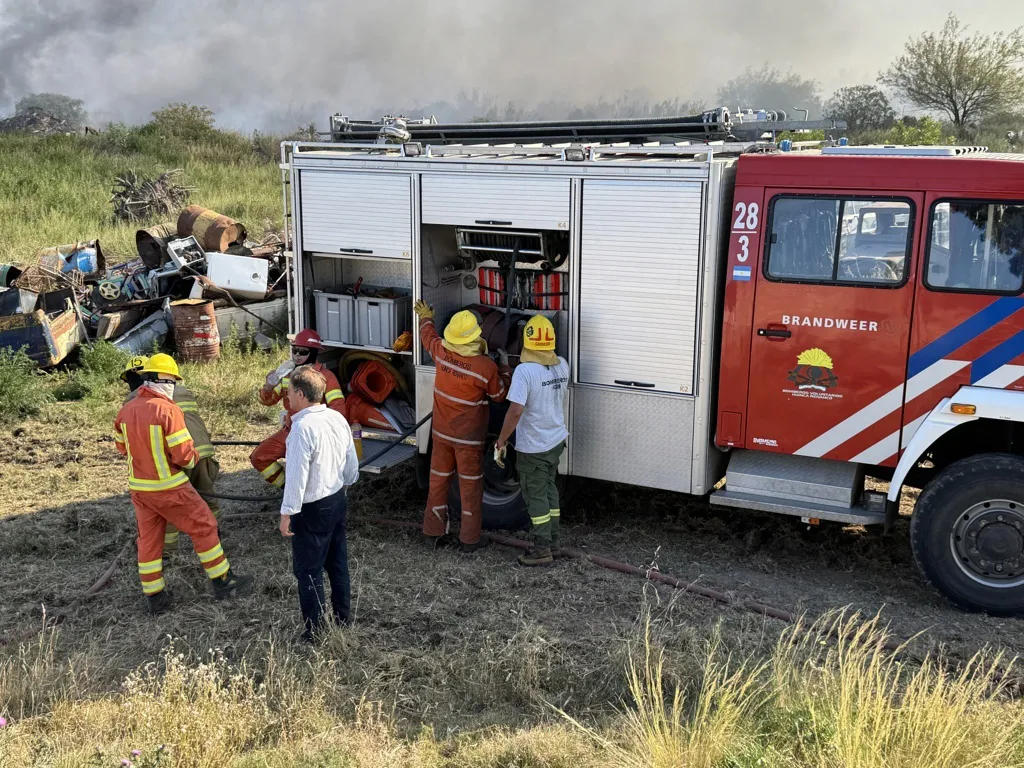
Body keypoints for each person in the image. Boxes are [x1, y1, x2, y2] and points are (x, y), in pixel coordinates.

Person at [113, 353, 253, 614]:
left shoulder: (125, 411)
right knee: (204, 525)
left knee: (150, 541)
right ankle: (223, 581)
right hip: (169, 486)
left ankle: (155, 597)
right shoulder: (167, 409)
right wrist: (195, 456)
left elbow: (123, 449)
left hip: (140, 489)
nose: (174, 385)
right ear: (161, 380)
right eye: (172, 380)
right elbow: (184, 456)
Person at [413, 300, 512, 552]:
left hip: (441, 436)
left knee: (438, 483)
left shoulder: (440, 353)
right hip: (469, 440)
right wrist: (504, 366)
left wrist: (426, 316)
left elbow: (428, 335)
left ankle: (431, 534)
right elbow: (500, 395)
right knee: (470, 488)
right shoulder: (485, 367)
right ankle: (469, 540)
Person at [277, 364, 359, 643]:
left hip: (312, 508)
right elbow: (351, 463)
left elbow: (297, 475)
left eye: (288, 393)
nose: (287, 398)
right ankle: (343, 619)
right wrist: (343, 487)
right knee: (337, 564)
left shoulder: (301, 428)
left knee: (308, 571)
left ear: (300, 394)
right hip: (337, 500)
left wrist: (287, 513)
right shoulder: (336, 419)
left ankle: (314, 632)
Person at [121, 355, 220, 554]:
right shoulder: (182, 391)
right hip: (201, 451)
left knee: (170, 508)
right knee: (206, 496)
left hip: (170, 460)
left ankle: (167, 551)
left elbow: (128, 446)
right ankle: (215, 536)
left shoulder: (132, 402)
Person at [495, 316, 569, 566]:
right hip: (555, 440)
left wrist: (501, 441)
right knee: (549, 492)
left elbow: (515, 411)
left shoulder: (525, 372)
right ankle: (554, 541)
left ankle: (541, 549)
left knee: (535, 496)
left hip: (534, 445)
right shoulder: (562, 365)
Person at [251, 329, 346, 488]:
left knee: (310, 472)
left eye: (303, 352)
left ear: (314, 353)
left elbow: (338, 410)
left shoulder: (326, 377)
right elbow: (267, 401)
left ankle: (307, 494)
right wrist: (268, 387)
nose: (297, 355)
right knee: (259, 457)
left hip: (315, 434)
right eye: (294, 350)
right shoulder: (287, 376)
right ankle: (287, 487)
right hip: (291, 431)